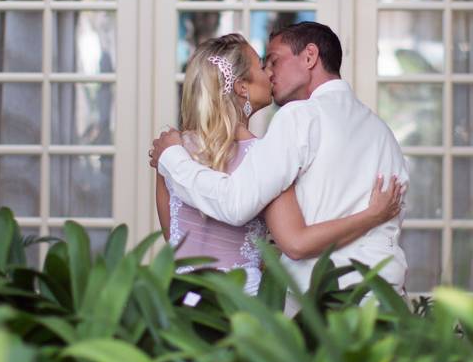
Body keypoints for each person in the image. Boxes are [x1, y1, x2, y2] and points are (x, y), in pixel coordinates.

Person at [151, 23, 409, 305]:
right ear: (241, 87)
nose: (270, 73)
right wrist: (371, 216)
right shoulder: (382, 132)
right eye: (263, 66)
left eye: (272, 62)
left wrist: (172, 159)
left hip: (177, 298)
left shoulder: (173, 152)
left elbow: (178, 236)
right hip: (377, 292)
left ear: (310, 57)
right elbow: (287, 239)